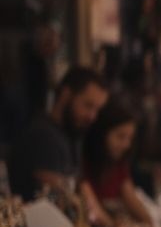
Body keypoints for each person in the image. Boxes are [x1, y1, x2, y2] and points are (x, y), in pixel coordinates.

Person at [7, 66, 107, 200]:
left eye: (97, 110)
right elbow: (61, 198)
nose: (92, 116)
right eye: (88, 105)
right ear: (66, 94)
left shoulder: (71, 133)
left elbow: (81, 189)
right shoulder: (43, 136)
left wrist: (109, 221)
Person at [80, 98, 154, 227]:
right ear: (102, 133)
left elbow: (133, 202)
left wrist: (149, 225)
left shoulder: (118, 164)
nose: (127, 144)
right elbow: (93, 210)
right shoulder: (82, 163)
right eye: (120, 136)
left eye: (130, 138)